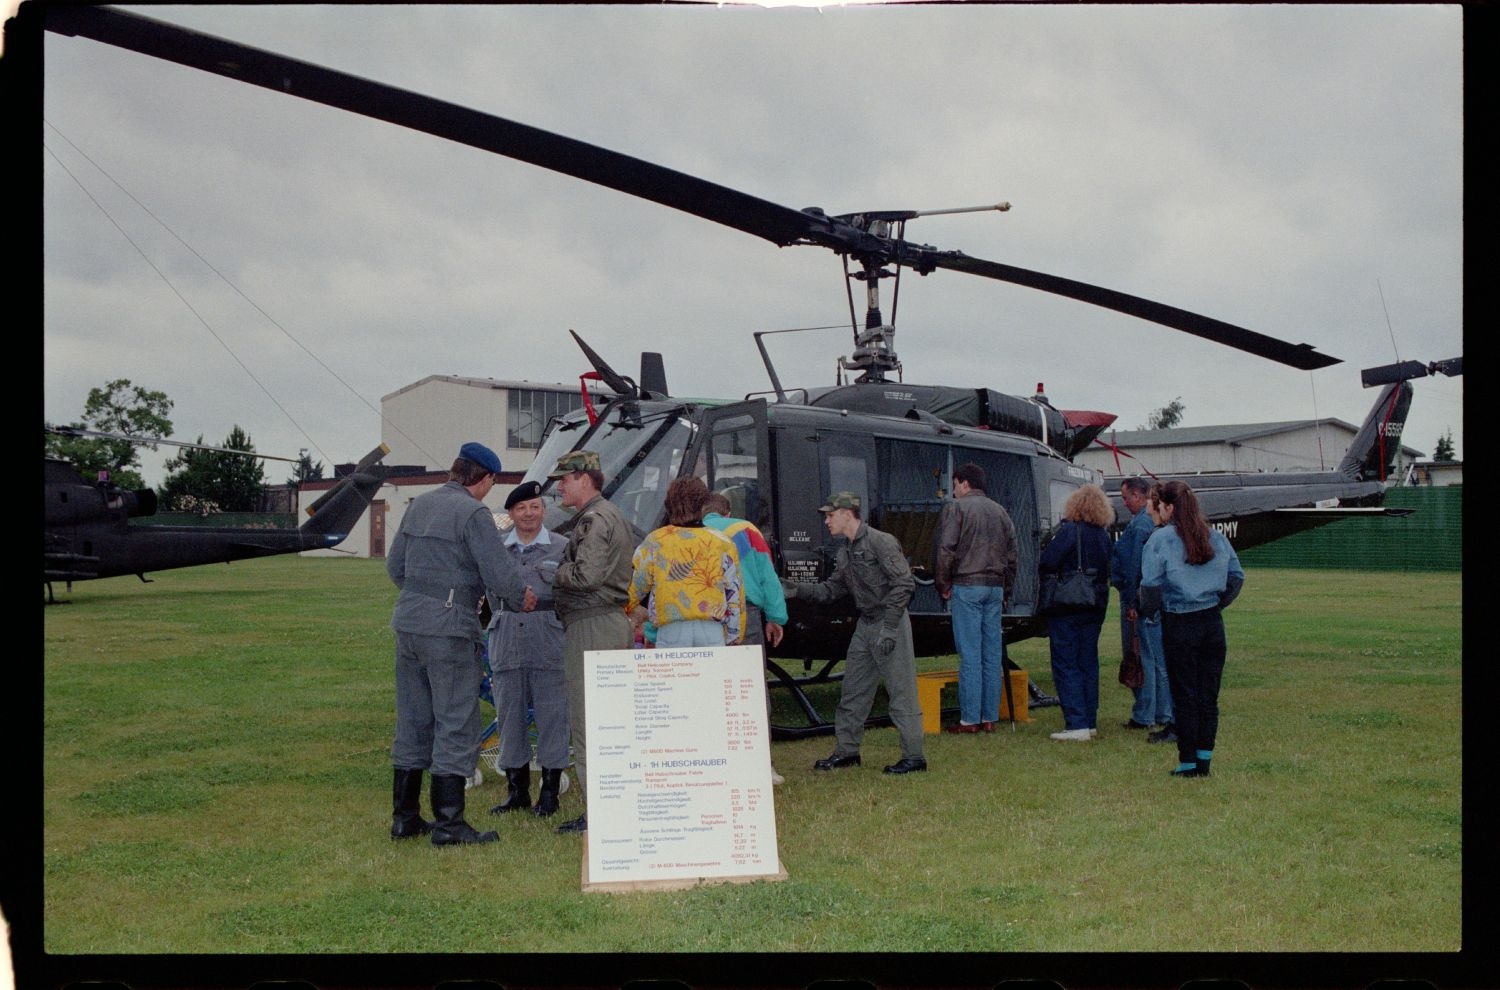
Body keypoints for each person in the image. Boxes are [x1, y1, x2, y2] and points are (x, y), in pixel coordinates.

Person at [386, 441, 537, 845]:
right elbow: (498, 571)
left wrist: (424, 596)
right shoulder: (473, 512)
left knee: (414, 718)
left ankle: (405, 819)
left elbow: (394, 567)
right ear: (485, 479)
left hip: (408, 623)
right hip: (449, 628)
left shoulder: (419, 505)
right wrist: (519, 596)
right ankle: (450, 825)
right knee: (455, 720)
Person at [781, 493, 927, 775]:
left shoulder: (880, 542)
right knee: (853, 692)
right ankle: (847, 753)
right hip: (866, 623)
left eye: (830, 515)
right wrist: (795, 588)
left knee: (901, 692)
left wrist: (889, 627)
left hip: (889, 621)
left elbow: (904, 584)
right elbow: (830, 591)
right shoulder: (845, 552)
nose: (826, 521)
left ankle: (914, 757)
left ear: (847, 514)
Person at [548, 450, 635, 834]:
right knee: (609, 721)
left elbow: (586, 576)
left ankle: (597, 813)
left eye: (564, 479)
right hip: (604, 624)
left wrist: (555, 568)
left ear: (586, 478)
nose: (558, 486)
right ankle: (611, 805)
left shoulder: (595, 519)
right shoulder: (606, 515)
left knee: (589, 723)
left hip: (593, 627)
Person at [1138, 480, 1245, 778]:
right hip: (1211, 623)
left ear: (1169, 507)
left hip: (1179, 622)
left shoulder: (1160, 540)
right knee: (1208, 696)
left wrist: (1150, 611)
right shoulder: (1215, 537)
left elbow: (1150, 588)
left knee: (1184, 694)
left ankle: (1187, 763)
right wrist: (1216, 604)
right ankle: (1204, 762)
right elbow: (1236, 577)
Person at [485, 480, 569, 818]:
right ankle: (516, 791)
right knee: (509, 714)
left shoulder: (563, 547)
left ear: (544, 511)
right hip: (507, 637)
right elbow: (491, 596)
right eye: (521, 508)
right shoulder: (497, 550)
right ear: (511, 514)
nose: (529, 514)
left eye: (534, 507)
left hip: (548, 638)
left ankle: (549, 792)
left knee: (552, 715)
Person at [702, 490, 788, 785]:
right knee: (750, 688)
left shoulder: (693, 532)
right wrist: (776, 616)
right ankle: (763, 765)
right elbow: (767, 576)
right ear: (727, 512)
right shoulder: (745, 529)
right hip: (746, 614)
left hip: (705, 616)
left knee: (711, 689)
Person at [934, 462, 1018, 734]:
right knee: (991, 654)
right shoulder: (1001, 512)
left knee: (970, 654)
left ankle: (970, 720)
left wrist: (943, 583)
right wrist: (1006, 591)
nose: (953, 490)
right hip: (994, 587)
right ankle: (989, 717)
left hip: (967, 586)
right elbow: (1013, 556)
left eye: (955, 484)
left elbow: (946, 549)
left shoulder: (956, 508)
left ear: (965, 483)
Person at [628, 477, 744, 648]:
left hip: (671, 628)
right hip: (712, 628)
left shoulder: (656, 541)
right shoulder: (722, 541)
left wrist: (623, 609)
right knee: (710, 674)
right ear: (703, 503)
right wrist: (735, 634)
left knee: (675, 674)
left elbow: (636, 585)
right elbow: (734, 591)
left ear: (669, 504)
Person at [1038, 484, 1113, 742]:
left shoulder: (1069, 531)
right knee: (1087, 662)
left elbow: (1047, 561)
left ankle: (1076, 722)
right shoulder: (1103, 536)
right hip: (1095, 603)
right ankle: (1089, 720)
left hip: (1068, 604)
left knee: (1066, 661)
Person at [1110, 477, 1174, 736]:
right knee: (1157, 658)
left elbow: (1135, 567)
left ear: (1138, 496)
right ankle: (1162, 711)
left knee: (1140, 656)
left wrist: (1132, 601)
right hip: (1153, 600)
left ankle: (1144, 713)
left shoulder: (1138, 527)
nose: (1124, 503)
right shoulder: (1152, 526)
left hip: (1137, 600)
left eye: (1126, 498)